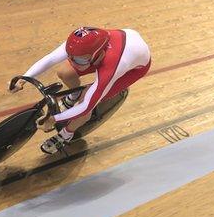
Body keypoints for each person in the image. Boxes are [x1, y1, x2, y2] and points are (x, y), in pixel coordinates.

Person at [10, 27, 151, 154]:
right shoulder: (79, 46)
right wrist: (24, 78)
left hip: (131, 68)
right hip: (115, 47)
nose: (74, 62)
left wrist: (54, 119)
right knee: (65, 72)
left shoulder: (114, 65)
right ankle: (73, 94)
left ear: (99, 53)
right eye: (70, 56)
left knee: (87, 98)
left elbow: (86, 107)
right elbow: (50, 59)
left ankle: (66, 134)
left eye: (79, 59)